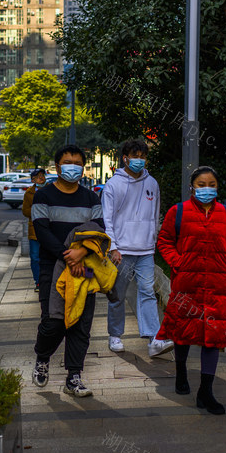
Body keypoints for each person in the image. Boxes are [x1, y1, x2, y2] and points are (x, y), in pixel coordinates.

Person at [156, 166, 226, 415]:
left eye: (211, 184)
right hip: (187, 282)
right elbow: (164, 240)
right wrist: (177, 262)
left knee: (212, 334)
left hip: (217, 283)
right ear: (192, 187)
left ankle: (206, 391)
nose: (206, 189)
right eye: (201, 184)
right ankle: (181, 371)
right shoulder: (178, 211)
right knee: (183, 330)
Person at [31, 145, 103, 398]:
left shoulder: (91, 198)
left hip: (85, 268)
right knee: (54, 322)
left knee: (81, 325)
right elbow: (41, 230)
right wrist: (68, 256)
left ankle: (74, 377)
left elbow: (99, 229)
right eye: (67, 162)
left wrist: (82, 253)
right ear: (58, 166)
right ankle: (42, 356)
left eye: (77, 162)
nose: (72, 166)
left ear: (82, 168)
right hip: (53, 268)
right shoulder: (44, 196)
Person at [102, 139, 173, 358]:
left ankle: (154, 339)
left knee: (147, 292)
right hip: (121, 250)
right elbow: (108, 219)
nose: (139, 160)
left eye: (143, 156)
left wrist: (153, 242)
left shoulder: (152, 183)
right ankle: (115, 335)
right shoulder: (113, 185)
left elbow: (155, 215)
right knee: (118, 294)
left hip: (145, 250)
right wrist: (113, 247)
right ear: (125, 158)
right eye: (135, 155)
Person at [22, 168, 48, 292]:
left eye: (43, 175)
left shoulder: (52, 190)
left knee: (48, 257)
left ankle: (48, 281)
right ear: (33, 180)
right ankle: (38, 282)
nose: (41, 178)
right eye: (38, 176)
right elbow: (25, 211)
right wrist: (36, 211)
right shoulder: (29, 193)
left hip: (50, 228)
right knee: (35, 257)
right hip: (35, 230)